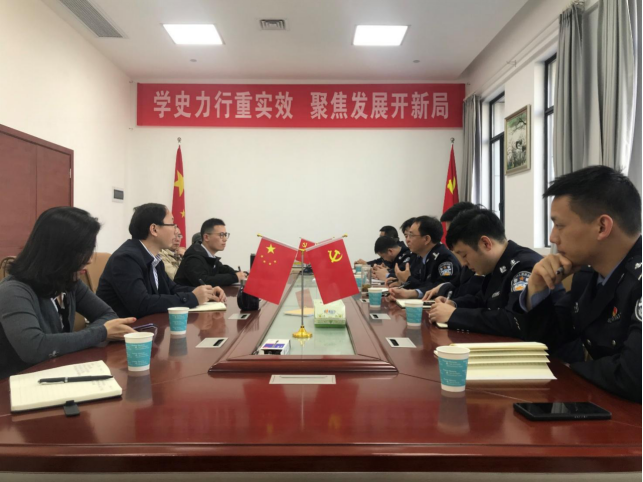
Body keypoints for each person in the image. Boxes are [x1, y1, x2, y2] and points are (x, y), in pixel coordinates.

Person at [516, 166, 641, 403]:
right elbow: (545, 342)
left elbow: (632, 376)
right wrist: (537, 288)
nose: (552, 237)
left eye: (559, 225)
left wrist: (569, 366)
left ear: (602, 227)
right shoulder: (587, 275)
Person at [0, 207, 136, 379]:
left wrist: (74, 340)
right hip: (18, 384)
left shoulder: (69, 282)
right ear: (57, 251)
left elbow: (107, 315)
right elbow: (34, 348)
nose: (90, 259)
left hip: (58, 371)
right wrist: (100, 333)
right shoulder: (13, 291)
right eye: (83, 251)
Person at [428, 208, 543, 339]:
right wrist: (454, 304)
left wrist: (454, 315)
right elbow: (482, 300)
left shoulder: (524, 266)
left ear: (486, 243)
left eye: (464, 255)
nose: (464, 263)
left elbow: (513, 320)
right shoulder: (496, 265)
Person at [97, 204, 226, 319]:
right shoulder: (126, 258)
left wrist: (205, 292)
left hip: (146, 327)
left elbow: (172, 288)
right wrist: (192, 298)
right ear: (154, 229)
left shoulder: (154, 258)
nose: (176, 231)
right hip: (124, 333)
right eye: (172, 224)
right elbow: (142, 304)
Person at [389, 216, 461, 299]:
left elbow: (441, 289)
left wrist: (409, 282)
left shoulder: (444, 258)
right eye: (407, 236)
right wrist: (402, 284)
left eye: (411, 235)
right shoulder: (422, 256)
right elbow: (421, 283)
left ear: (426, 239)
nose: (407, 240)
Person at [424, 202, 485, 300]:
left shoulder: (483, 260)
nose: (449, 237)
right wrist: (443, 287)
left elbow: (468, 295)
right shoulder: (468, 262)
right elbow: (455, 285)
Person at [175, 218, 246, 288]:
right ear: (206, 237)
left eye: (225, 235)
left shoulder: (208, 256)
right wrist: (235, 277)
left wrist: (243, 274)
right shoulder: (194, 258)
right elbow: (203, 282)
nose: (225, 239)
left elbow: (224, 270)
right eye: (221, 235)